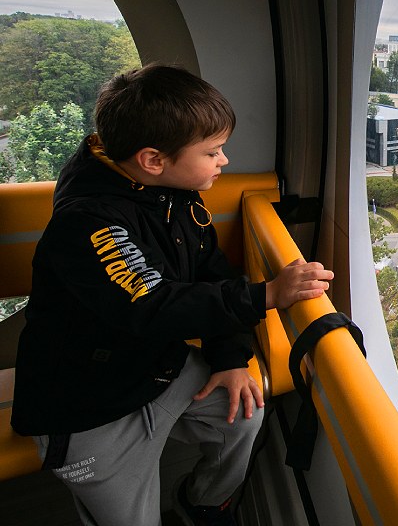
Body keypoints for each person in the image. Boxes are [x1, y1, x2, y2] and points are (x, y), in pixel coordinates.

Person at [12, 64, 334, 526]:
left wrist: (228, 357)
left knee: (242, 413)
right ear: (153, 159)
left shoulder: (170, 190)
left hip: (156, 365)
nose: (223, 161)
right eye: (213, 152)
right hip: (89, 407)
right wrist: (264, 295)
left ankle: (203, 503)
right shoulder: (88, 222)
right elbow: (153, 305)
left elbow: (208, 269)